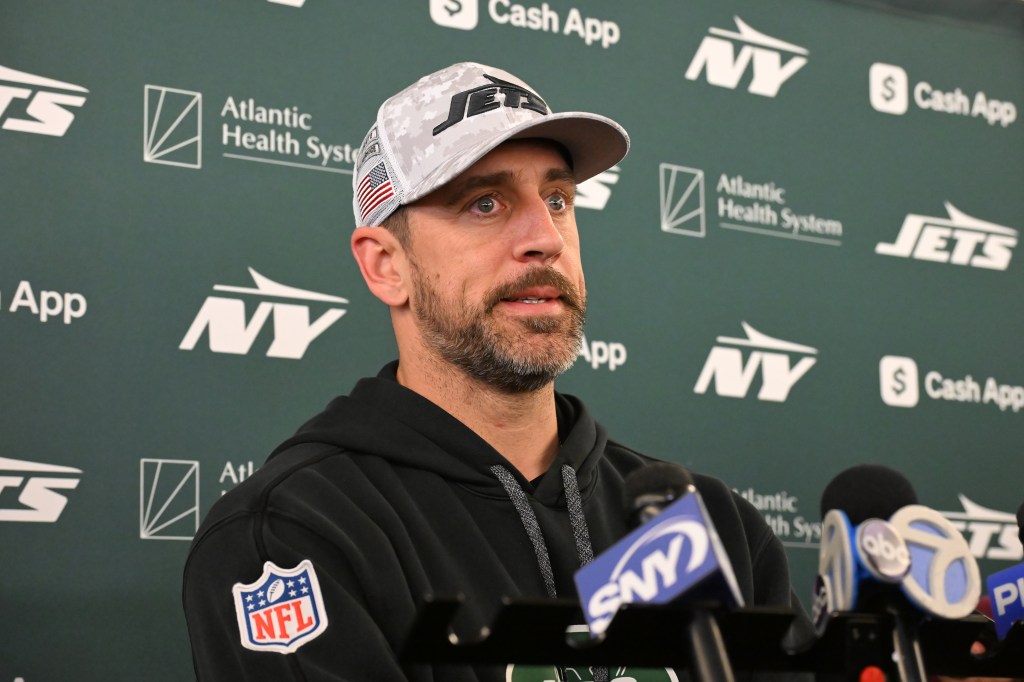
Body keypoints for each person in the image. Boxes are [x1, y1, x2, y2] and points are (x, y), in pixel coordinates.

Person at [182, 62, 811, 682]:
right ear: (385, 266)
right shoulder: (296, 535)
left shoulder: (713, 528)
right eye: (485, 203)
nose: (545, 237)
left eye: (558, 199)